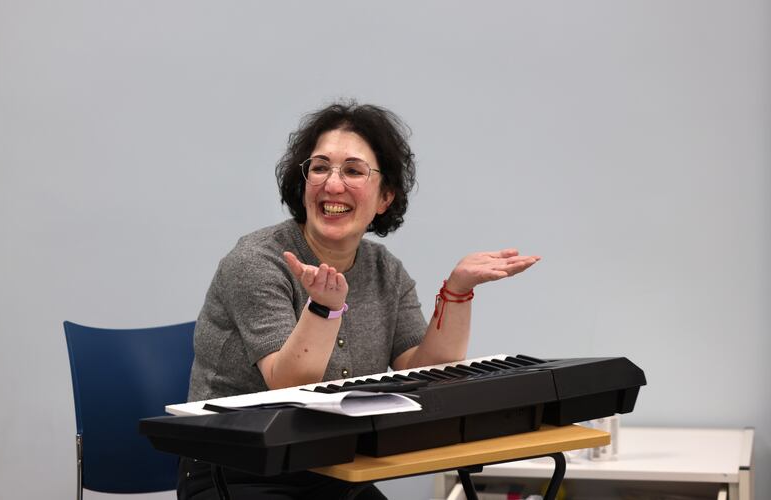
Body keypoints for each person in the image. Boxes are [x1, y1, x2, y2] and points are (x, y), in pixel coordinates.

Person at [178, 102, 540, 500]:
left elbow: (431, 372)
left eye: (353, 171)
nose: (332, 185)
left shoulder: (386, 269)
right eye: (319, 168)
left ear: (385, 197)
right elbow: (289, 384)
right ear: (303, 185)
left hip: (334, 471)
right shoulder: (257, 261)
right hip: (236, 475)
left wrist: (457, 291)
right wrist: (324, 308)